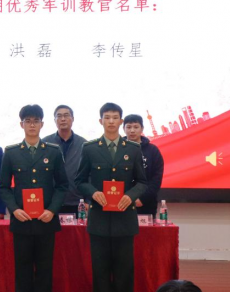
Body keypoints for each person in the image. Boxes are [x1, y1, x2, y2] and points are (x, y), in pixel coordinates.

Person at [75, 103, 148, 292]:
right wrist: (93, 192)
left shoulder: (133, 148)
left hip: (124, 219)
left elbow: (142, 182)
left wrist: (130, 196)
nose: (111, 121)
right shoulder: (89, 148)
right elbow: (80, 181)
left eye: (115, 118)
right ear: (101, 121)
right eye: (107, 117)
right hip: (99, 220)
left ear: (121, 121)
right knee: (100, 272)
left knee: (124, 272)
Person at [0, 104, 69, 292]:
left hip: (46, 220)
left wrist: (52, 210)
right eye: (27, 121)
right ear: (21, 124)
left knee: (45, 270)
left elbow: (62, 185)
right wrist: (15, 210)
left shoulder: (53, 151)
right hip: (22, 220)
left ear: (42, 124)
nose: (32, 125)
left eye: (36, 121)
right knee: (22, 271)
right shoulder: (11, 152)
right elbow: (4, 187)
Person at [42, 105, 87, 214]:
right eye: (59, 116)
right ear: (54, 120)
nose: (63, 119)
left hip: (77, 201)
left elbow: (89, 174)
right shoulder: (45, 143)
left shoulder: (84, 144)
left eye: (66, 115)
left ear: (73, 119)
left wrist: (88, 200)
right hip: (51, 202)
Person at [123, 114, 165, 218]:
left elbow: (156, 178)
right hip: (121, 203)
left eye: (136, 127)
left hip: (146, 204)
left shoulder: (152, 150)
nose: (132, 130)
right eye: (128, 127)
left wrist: (142, 198)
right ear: (123, 129)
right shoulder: (118, 149)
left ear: (142, 128)